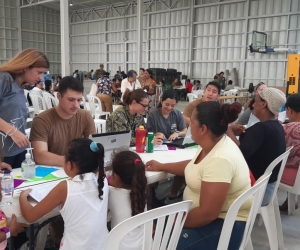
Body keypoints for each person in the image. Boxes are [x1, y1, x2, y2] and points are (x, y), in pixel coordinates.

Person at [146, 101, 251, 249]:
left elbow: (207, 214)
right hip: (212, 221)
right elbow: (194, 166)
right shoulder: (214, 144)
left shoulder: (220, 159)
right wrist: (162, 166)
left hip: (222, 227)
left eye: (192, 122)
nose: (189, 127)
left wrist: (169, 225)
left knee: (156, 242)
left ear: (203, 129)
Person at [19, 138, 109, 250]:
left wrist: (22, 196)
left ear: (69, 165)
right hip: (103, 245)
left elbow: (30, 216)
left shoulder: (65, 187)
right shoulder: (103, 181)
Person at [227, 87, 286, 206]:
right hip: (268, 188)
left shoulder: (261, 129)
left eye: (256, 101)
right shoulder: (277, 126)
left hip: (255, 191)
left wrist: (228, 131)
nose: (253, 105)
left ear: (263, 104)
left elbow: (240, 155)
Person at [30, 76, 95, 167]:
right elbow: (40, 156)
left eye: (79, 100)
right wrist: (73, 162)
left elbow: (93, 147)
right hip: (50, 171)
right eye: (71, 100)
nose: (76, 105)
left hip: (75, 170)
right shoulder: (42, 120)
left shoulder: (85, 116)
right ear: (59, 96)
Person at [0, 48, 49, 168]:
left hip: (19, 151)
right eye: (39, 72)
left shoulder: (20, 86)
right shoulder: (4, 79)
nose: (41, 78)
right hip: (4, 154)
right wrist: (13, 132)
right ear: (26, 66)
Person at [108, 150, 148, 250]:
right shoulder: (143, 191)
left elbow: (105, 182)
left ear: (116, 177)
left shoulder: (111, 193)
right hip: (145, 246)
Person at [279, 94, 300, 211]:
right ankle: (290, 202)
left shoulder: (286, 129)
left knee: (269, 171)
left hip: (294, 177)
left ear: (289, 110)